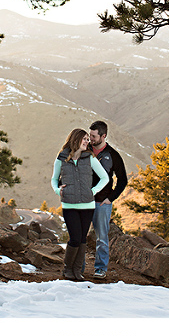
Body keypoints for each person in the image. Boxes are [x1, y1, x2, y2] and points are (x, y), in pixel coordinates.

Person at [51, 128, 109, 281]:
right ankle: (67, 269)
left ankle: (77, 271)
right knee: (75, 238)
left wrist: (93, 191)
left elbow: (105, 178)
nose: (87, 142)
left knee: (82, 238)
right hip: (69, 206)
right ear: (75, 139)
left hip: (88, 206)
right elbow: (54, 179)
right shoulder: (62, 158)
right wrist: (58, 190)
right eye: (84, 139)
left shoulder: (89, 158)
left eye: (87, 139)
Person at [88, 120, 128, 279]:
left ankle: (100, 269)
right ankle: (78, 268)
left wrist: (110, 198)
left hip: (102, 203)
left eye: (93, 136)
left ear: (103, 136)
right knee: (79, 235)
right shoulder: (85, 150)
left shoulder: (113, 155)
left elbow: (123, 180)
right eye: (89, 135)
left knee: (102, 237)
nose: (90, 138)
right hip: (84, 201)